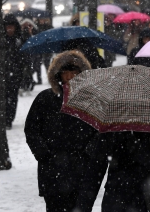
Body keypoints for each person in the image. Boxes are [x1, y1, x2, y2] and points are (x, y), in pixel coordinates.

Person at [25, 50, 97, 212]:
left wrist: (89, 152)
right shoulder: (45, 99)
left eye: (75, 72)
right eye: (66, 73)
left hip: (82, 169)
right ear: (58, 75)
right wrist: (44, 154)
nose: (70, 77)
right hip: (52, 170)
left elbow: (100, 130)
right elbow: (32, 129)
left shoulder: (91, 100)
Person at [76, 129, 150, 212]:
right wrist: (84, 206)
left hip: (145, 201)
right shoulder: (113, 127)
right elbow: (95, 169)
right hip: (116, 200)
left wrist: (139, 150)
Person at [4, 13, 23, 130]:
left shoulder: (19, 40)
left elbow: (24, 59)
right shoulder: (0, 40)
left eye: (11, 26)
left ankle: (9, 119)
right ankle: (5, 118)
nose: (9, 29)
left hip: (15, 75)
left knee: (12, 98)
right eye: (7, 26)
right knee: (5, 97)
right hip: (3, 74)